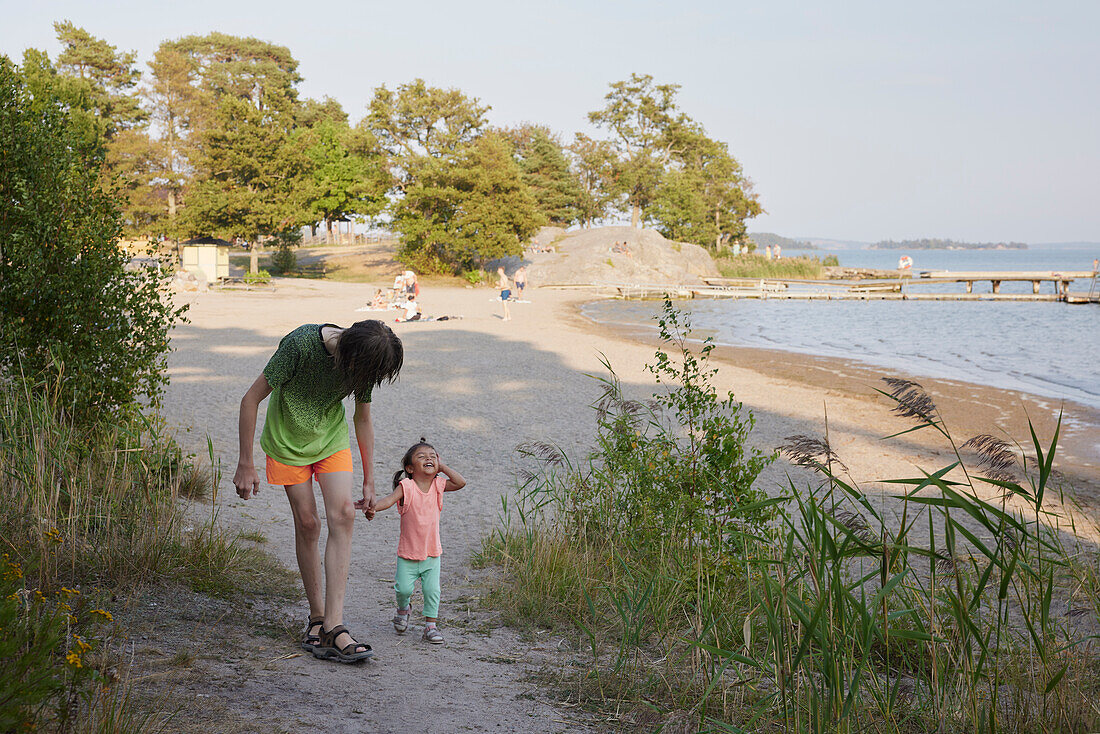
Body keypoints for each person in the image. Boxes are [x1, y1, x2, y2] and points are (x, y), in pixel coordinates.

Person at [233, 321, 403, 664]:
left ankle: (333, 625)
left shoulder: (365, 359)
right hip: (285, 443)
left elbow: (363, 418)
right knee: (309, 524)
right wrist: (246, 463)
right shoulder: (299, 345)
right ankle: (316, 615)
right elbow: (250, 399)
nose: (366, 379)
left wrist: (370, 479)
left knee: (344, 514)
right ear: (349, 353)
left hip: (330, 440)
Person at [368, 439, 466, 644]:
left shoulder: (438, 485)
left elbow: (460, 482)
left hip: (432, 552)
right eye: (422, 457)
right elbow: (388, 500)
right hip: (408, 553)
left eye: (432, 456)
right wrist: (373, 507)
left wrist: (443, 466)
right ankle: (403, 609)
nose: (428, 459)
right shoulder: (407, 486)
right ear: (410, 468)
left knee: (432, 591)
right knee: (403, 589)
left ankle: (430, 626)